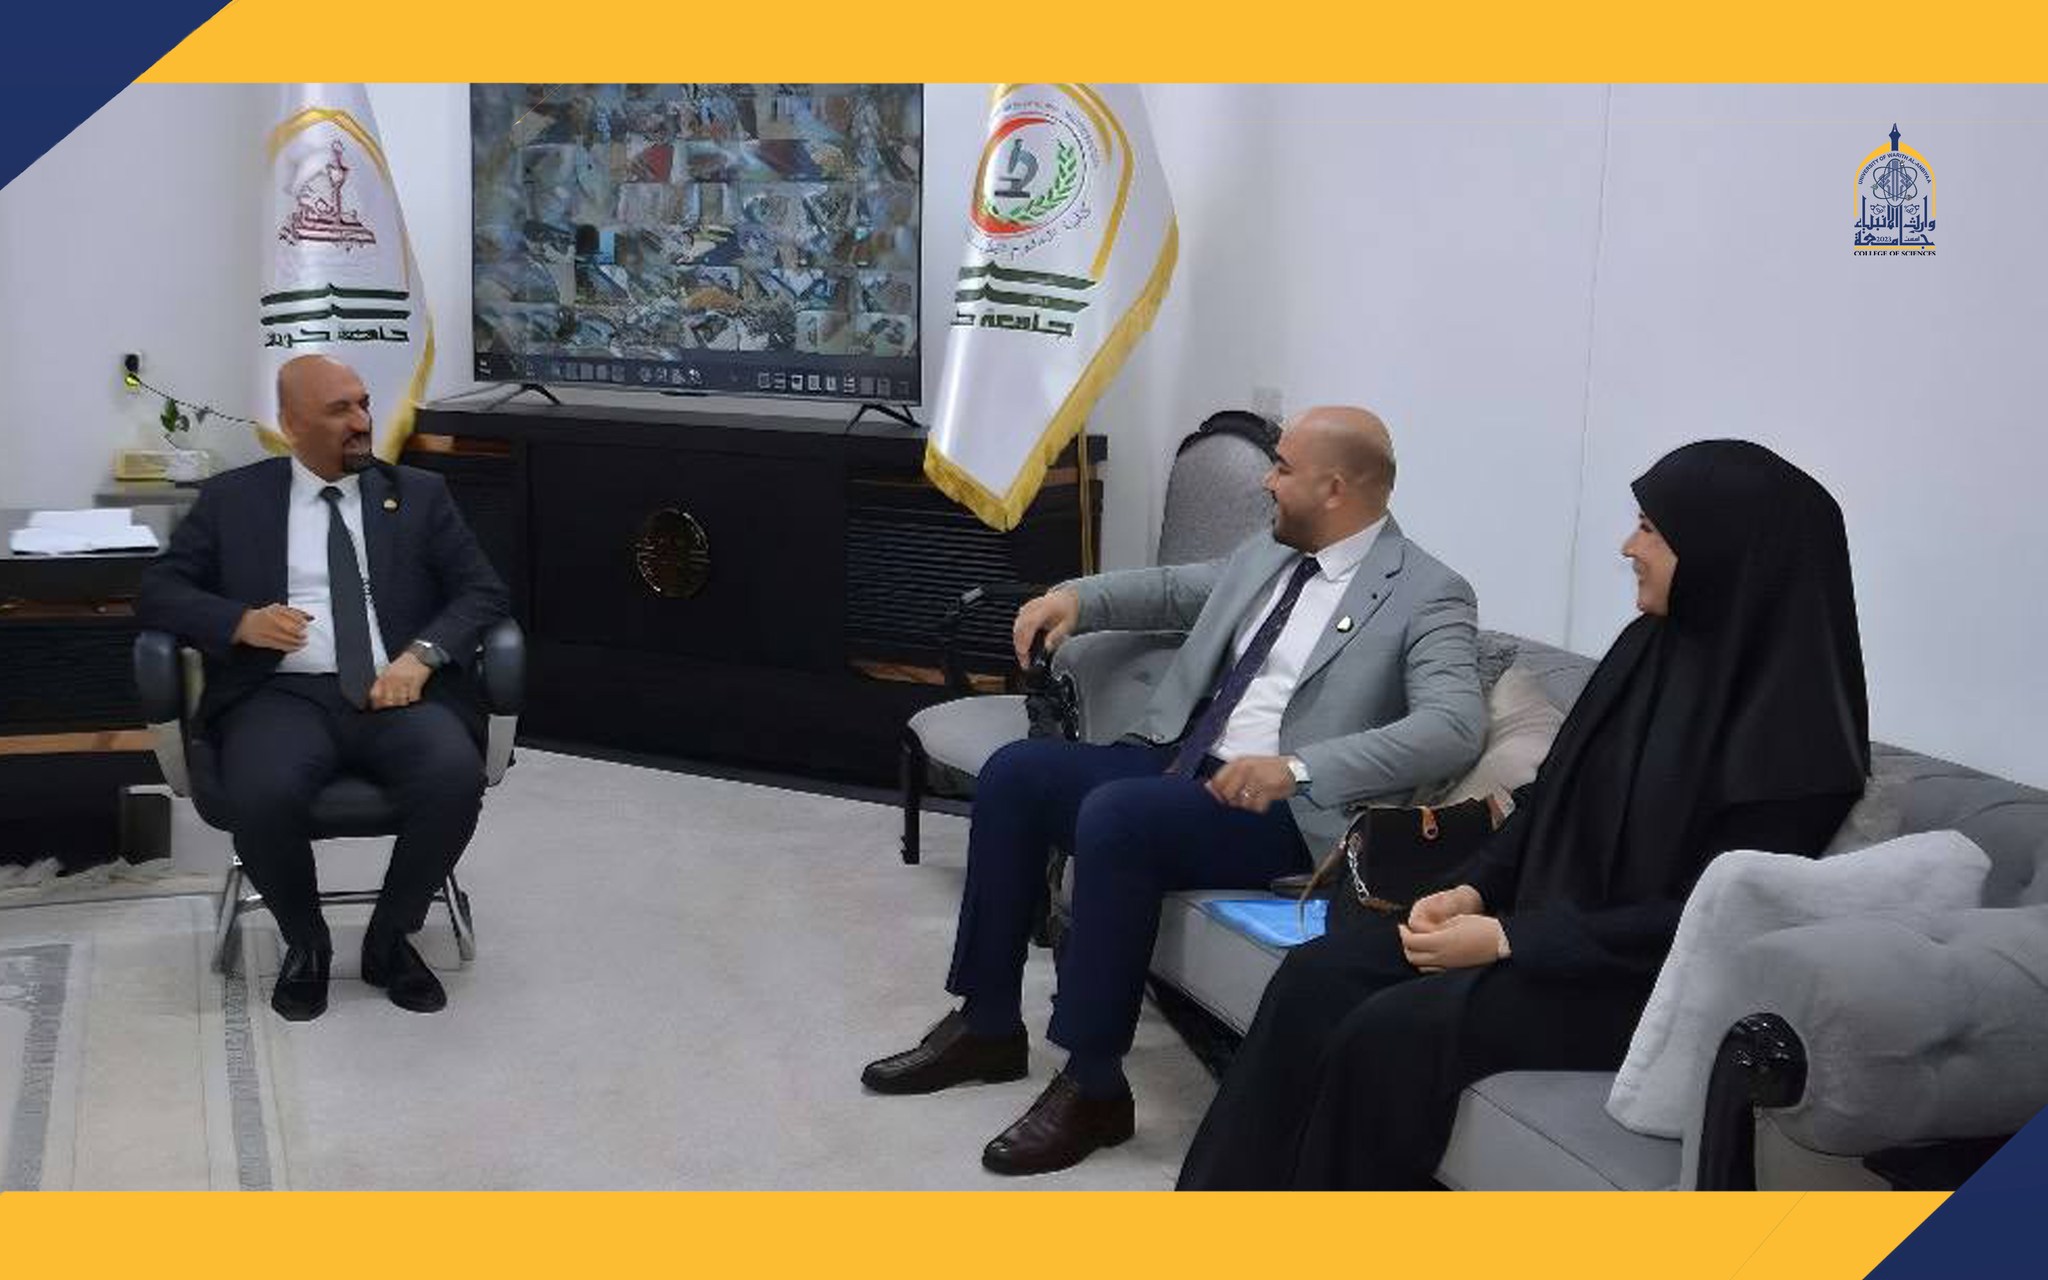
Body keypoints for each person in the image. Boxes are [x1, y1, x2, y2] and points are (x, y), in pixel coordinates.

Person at [1176, 439, 1869, 1189]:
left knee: (1393, 1031)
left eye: (1650, 530)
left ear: (1724, 553)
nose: (1628, 547)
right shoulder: (1648, 649)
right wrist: (1472, 888)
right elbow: (1551, 798)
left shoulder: (1798, 741)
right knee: (1318, 975)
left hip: (1635, 986)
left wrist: (1511, 940)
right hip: (1543, 933)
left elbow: (1709, 918)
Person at [862, 405, 1488, 1176]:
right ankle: (988, 1023)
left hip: (1283, 810)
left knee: (1119, 817)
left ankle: (1094, 1084)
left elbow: (1453, 726)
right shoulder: (1272, 550)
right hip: (1179, 762)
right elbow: (1173, 590)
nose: (1267, 481)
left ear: (1334, 488)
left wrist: (1299, 767)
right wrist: (1075, 598)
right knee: (1017, 774)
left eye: (1282, 468)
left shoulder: (1429, 592)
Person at [138, 355, 509, 1022]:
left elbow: (482, 592)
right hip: (280, 694)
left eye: (363, 403)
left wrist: (422, 656)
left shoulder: (418, 494)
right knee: (262, 792)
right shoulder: (233, 499)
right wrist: (240, 622)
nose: (362, 421)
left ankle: (390, 939)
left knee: (454, 777)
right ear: (290, 425)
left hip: (396, 691)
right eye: (340, 410)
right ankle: (305, 942)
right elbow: (159, 591)